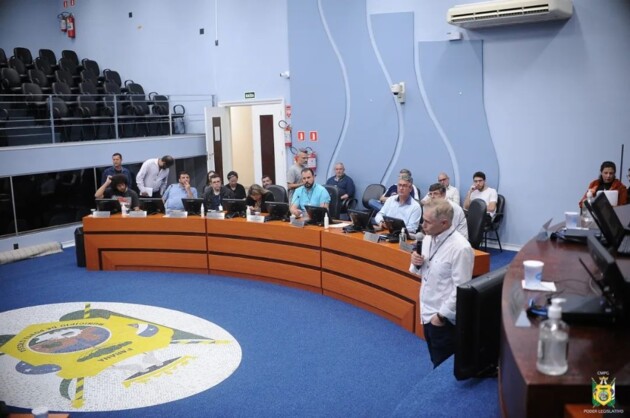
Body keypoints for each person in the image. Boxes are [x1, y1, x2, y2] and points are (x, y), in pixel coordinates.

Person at [409, 199, 474, 368]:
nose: (423, 225)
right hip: (426, 311)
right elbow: (423, 271)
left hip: (443, 319)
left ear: (444, 223)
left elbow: (462, 289)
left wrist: (440, 316)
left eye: (427, 222)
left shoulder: (461, 248)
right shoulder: (429, 238)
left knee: (444, 365)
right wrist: (416, 262)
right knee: (434, 359)